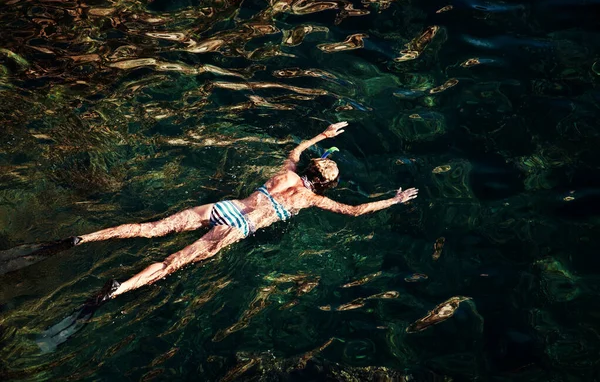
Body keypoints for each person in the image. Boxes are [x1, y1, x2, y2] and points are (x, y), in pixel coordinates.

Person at [35, 122, 418, 350]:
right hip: (235, 229)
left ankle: (82, 239)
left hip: (224, 207)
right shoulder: (310, 201)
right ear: (324, 185)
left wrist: (323, 133)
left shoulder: (285, 174)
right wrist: (394, 200)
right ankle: (116, 289)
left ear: (311, 167)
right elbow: (355, 210)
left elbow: (295, 149)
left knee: (149, 230)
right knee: (170, 264)